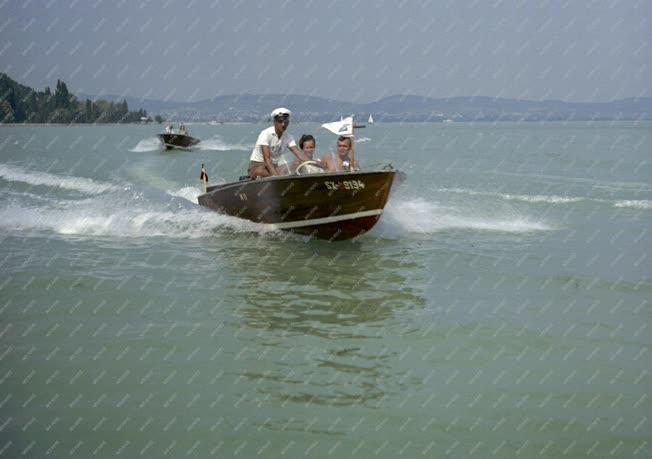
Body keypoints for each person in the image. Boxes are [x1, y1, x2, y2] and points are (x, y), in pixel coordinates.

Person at [248, 108, 308, 178]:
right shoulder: (265, 134)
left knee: (297, 163)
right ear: (274, 122)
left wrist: (313, 163)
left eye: (286, 122)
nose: (283, 124)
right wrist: (276, 176)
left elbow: (298, 153)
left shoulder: (288, 137)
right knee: (261, 171)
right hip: (258, 166)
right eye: (280, 121)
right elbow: (267, 159)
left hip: (274, 167)